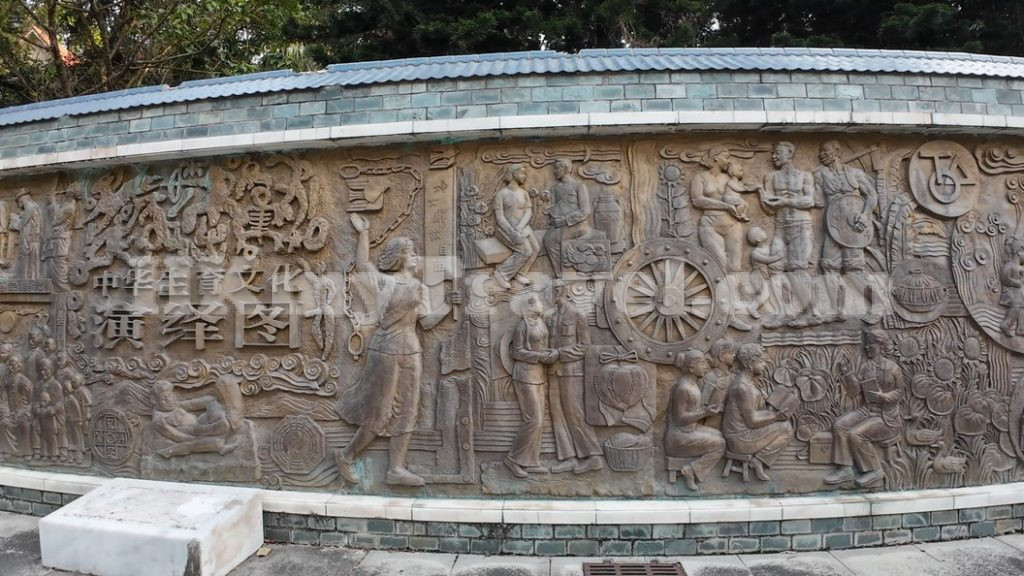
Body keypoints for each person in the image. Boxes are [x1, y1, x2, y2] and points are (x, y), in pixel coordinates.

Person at [335, 213, 453, 487]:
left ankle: (396, 469)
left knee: (408, 410)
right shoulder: (385, 283)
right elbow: (362, 265)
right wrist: (364, 233)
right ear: (399, 257)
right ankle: (346, 455)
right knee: (379, 411)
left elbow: (427, 322)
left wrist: (448, 305)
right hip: (385, 350)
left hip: (411, 352)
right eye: (410, 253)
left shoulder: (420, 288)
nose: (416, 257)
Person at [824, 328, 905, 487]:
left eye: (871, 344)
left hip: (886, 417)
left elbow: (900, 392)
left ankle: (874, 470)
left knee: (856, 434)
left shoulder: (893, 369)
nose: (867, 347)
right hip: (867, 411)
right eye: (866, 344)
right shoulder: (866, 367)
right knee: (839, 425)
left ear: (881, 345)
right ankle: (845, 469)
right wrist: (848, 374)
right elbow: (854, 392)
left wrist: (884, 397)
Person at [814, 140, 879, 321]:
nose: (821, 155)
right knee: (828, 266)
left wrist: (865, 215)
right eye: (820, 152)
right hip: (833, 228)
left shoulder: (854, 174)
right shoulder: (821, 175)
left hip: (854, 228)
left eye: (825, 151)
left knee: (853, 270)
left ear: (836, 152)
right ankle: (838, 311)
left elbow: (872, 194)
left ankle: (877, 304)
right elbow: (817, 201)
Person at [546, 280, 604, 474]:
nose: (548, 295)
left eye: (551, 291)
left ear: (559, 291)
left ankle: (593, 456)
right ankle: (568, 457)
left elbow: (584, 346)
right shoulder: (552, 317)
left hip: (571, 372)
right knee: (557, 415)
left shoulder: (577, 314)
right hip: (554, 372)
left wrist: (560, 354)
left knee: (575, 413)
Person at [761, 142, 818, 327]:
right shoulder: (771, 177)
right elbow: (769, 210)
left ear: (790, 153)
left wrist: (785, 201)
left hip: (801, 226)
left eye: (778, 152)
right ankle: (784, 312)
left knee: (797, 269)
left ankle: (811, 312)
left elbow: (809, 201)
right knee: (774, 269)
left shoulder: (804, 176)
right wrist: (762, 197)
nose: (774, 156)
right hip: (780, 227)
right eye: (773, 153)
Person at [505, 294, 559, 478]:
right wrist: (539, 357)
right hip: (524, 376)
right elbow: (516, 352)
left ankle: (533, 461)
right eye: (538, 302)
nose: (542, 304)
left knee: (540, 421)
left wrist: (549, 353)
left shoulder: (540, 322)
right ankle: (513, 460)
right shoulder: (522, 326)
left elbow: (543, 345)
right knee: (533, 419)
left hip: (539, 375)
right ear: (529, 306)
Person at [722, 343, 793, 481]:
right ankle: (759, 460)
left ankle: (758, 460)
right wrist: (775, 417)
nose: (764, 365)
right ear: (749, 364)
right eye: (761, 361)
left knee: (784, 424)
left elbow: (753, 413)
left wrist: (771, 411)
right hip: (739, 439)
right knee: (786, 428)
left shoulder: (747, 383)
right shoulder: (742, 387)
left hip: (744, 432)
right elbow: (752, 421)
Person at [666, 349, 726, 491]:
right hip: (679, 438)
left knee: (720, 435)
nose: (706, 366)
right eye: (702, 363)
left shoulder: (693, 385)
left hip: (690, 430)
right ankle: (691, 471)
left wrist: (709, 409)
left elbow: (692, 411)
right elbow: (680, 419)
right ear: (691, 367)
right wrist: (705, 412)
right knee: (720, 444)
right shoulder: (683, 388)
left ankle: (695, 468)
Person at [542, 159, 603, 276]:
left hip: (578, 225)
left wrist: (565, 220)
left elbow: (585, 210)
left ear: (565, 169)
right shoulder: (556, 188)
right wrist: (547, 204)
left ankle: (563, 274)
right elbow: (554, 207)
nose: (554, 171)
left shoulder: (579, 186)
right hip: (560, 225)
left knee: (549, 239)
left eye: (557, 168)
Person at [690, 147, 746, 272]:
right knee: (717, 266)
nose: (728, 161)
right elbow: (697, 200)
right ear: (716, 157)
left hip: (732, 224)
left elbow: (738, 197)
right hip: (710, 225)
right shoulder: (700, 178)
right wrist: (726, 206)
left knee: (735, 267)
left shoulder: (729, 178)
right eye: (726, 157)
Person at [492, 164, 539, 289]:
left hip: (522, 227)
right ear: (513, 174)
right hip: (505, 229)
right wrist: (512, 232)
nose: (524, 176)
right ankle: (501, 274)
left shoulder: (524, 193)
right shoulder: (501, 194)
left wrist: (520, 226)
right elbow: (500, 217)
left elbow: (529, 212)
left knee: (535, 248)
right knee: (526, 251)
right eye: (522, 173)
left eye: (525, 173)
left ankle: (521, 273)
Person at [10, 191, 42, 279]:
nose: (19, 206)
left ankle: (28, 277)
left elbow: (21, 225)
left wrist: (13, 220)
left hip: (30, 238)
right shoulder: (34, 206)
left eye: (19, 203)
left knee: (29, 257)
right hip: (32, 237)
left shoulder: (30, 207)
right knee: (31, 258)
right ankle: (29, 277)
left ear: (22, 200)